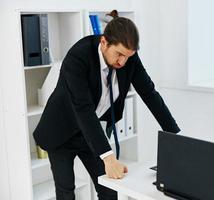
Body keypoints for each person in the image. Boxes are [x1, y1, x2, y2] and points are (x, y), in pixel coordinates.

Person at [33, 12, 180, 200]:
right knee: (66, 191)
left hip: (90, 132)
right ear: (104, 43)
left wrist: (175, 136)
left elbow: (149, 94)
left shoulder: (128, 57)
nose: (122, 62)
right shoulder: (78, 56)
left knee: (109, 189)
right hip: (61, 130)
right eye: (119, 54)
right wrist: (108, 157)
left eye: (128, 56)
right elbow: (83, 108)